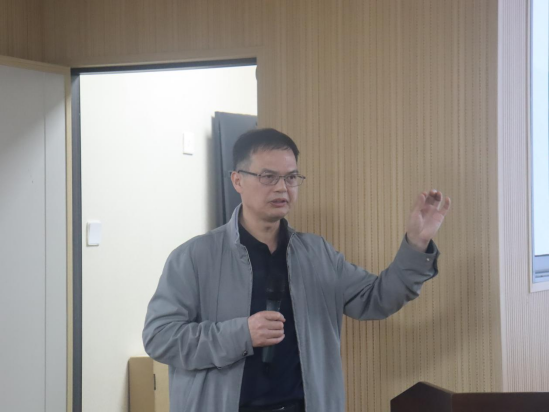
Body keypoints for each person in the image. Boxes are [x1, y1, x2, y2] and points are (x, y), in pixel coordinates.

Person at [143, 128, 451, 412]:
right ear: (237, 180)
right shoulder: (195, 257)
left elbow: (376, 299)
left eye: (291, 177)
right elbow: (160, 337)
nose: (282, 188)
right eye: (268, 177)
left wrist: (416, 244)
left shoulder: (317, 253)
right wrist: (242, 334)